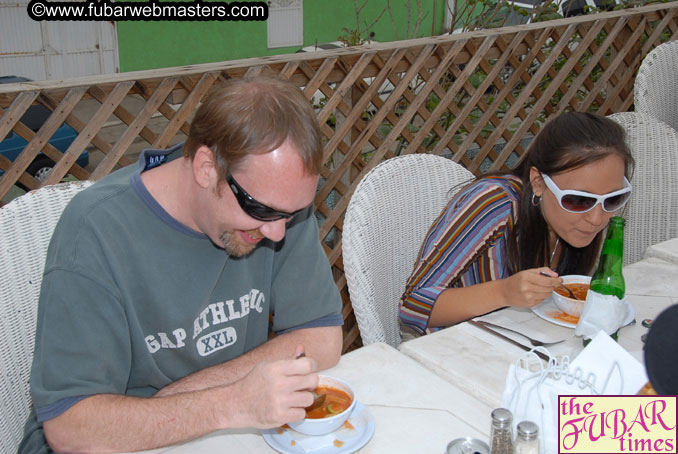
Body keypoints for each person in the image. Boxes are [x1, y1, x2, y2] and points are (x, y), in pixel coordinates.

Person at [19, 76, 344, 453]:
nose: (276, 233)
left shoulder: (277, 210)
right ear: (207, 167)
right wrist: (232, 402)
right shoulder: (96, 230)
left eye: (291, 213)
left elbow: (322, 339)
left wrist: (193, 398)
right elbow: (71, 429)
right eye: (261, 210)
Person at [401, 112, 634, 335]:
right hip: (456, 352)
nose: (596, 218)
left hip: (524, 343)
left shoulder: (580, 219)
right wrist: (504, 292)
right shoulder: (494, 204)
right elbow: (412, 306)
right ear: (538, 183)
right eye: (578, 200)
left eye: (613, 199)